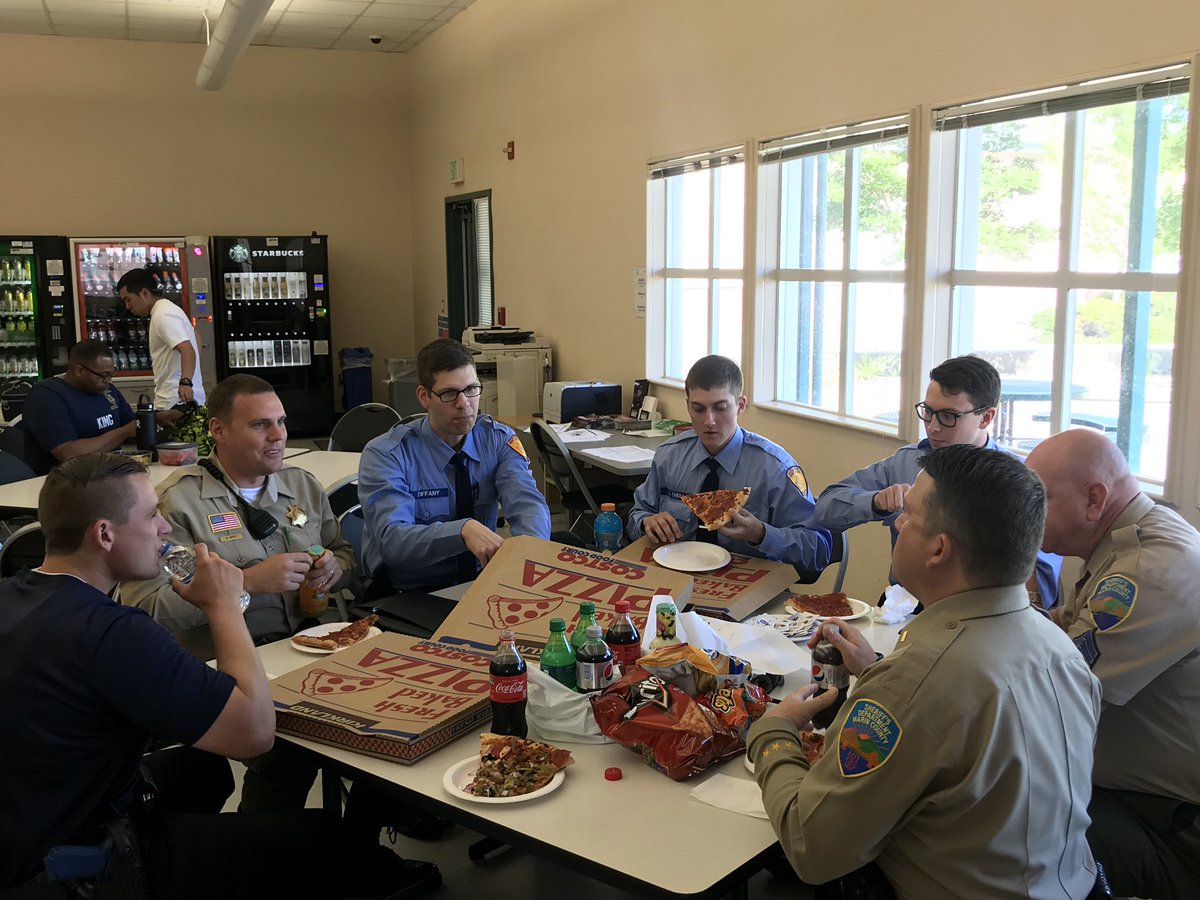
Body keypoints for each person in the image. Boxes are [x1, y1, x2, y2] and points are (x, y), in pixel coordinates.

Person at [0, 452, 439, 899]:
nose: (164, 528)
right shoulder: (113, 632)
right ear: (105, 534)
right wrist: (224, 603)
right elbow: (253, 734)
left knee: (204, 771)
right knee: (323, 834)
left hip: (24, 819)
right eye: (151, 516)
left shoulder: (16, 595)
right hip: (75, 866)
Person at [749, 445, 1102, 898]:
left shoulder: (916, 680)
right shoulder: (1061, 648)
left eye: (910, 515)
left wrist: (774, 734)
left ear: (939, 549)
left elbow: (811, 847)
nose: (898, 523)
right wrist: (876, 671)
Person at [1026, 429, 1200, 900]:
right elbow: (1059, 638)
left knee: (989, 828)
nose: (1026, 513)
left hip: (1166, 821)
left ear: (1094, 498)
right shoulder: (1116, 544)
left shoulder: (1147, 570)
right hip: (1119, 792)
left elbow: (1054, 699)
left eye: (1039, 499)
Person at [814, 354, 1063, 606]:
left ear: (986, 417)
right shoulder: (906, 462)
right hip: (906, 607)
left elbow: (1042, 586)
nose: (933, 427)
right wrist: (875, 502)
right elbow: (824, 509)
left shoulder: (1018, 481)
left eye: (948, 416)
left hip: (981, 612)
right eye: (928, 412)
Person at [359, 337, 551, 592]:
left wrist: (527, 554)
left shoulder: (497, 440)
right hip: (413, 592)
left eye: (471, 389)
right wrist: (462, 531)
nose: (464, 404)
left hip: (481, 582)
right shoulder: (387, 454)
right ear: (424, 396)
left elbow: (528, 503)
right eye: (449, 393)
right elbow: (392, 542)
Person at [626, 354, 831, 576]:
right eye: (698, 409)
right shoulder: (669, 456)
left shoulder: (775, 468)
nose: (709, 421)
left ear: (740, 406)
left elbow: (818, 550)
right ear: (688, 406)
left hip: (749, 584)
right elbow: (638, 513)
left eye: (721, 408)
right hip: (674, 577)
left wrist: (762, 534)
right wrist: (647, 522)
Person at [20, 340, 146, 475]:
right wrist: (124, 432)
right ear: (80, 370)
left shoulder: (106, 390)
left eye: (112, 373)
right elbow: (69, 454)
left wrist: (153, 419)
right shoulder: (47, 396)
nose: (109, 381)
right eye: (103, 375)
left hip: (108, 473)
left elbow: (132, 424)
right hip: (64, 480)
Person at [117, 266, 207, 413]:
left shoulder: (162, 315)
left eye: (129, 300)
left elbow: (187, 349)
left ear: (144, 293)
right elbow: (196, 338)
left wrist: (185, 382)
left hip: (176, 400)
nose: (127, 307)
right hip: (187, 397)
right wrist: (192, 375)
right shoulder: (170, 309)